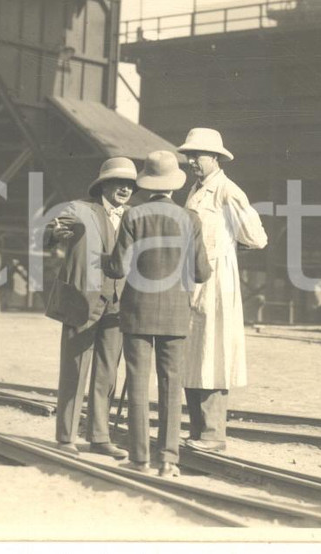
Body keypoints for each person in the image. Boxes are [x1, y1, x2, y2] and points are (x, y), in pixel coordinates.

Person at [105, 150, 212, 477]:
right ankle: (167, 460)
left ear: (147, 183)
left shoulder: (132, 216)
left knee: (136, 382)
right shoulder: (190, 218)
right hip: (176, 314)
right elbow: (201, 273)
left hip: (137, 311)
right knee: (171, 384)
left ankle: (139, 459)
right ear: (174, 185)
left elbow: (118, 267)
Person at [178, 128, 268, 452]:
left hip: (217, 282)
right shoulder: (195, 191)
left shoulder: (228, 192)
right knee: (192, 353)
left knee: (213, 353)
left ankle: (214, 434)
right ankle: (197, 430)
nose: (191, 162)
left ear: (215, 158)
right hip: (191, 280)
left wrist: (229, 248)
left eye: (197, 156)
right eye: (188, 156)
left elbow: (257, 238)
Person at [45, 156, 137, 460]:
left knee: (107, 374)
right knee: (74, 370)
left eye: (130, 185)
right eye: (119, 183)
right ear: (104, 185)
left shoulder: (134, 216)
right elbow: (52, 229)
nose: (125, 189)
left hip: (118, 305)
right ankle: (65, 437)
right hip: (82, 301)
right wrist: (55, 234)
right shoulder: (80, 209)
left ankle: (100, 437)